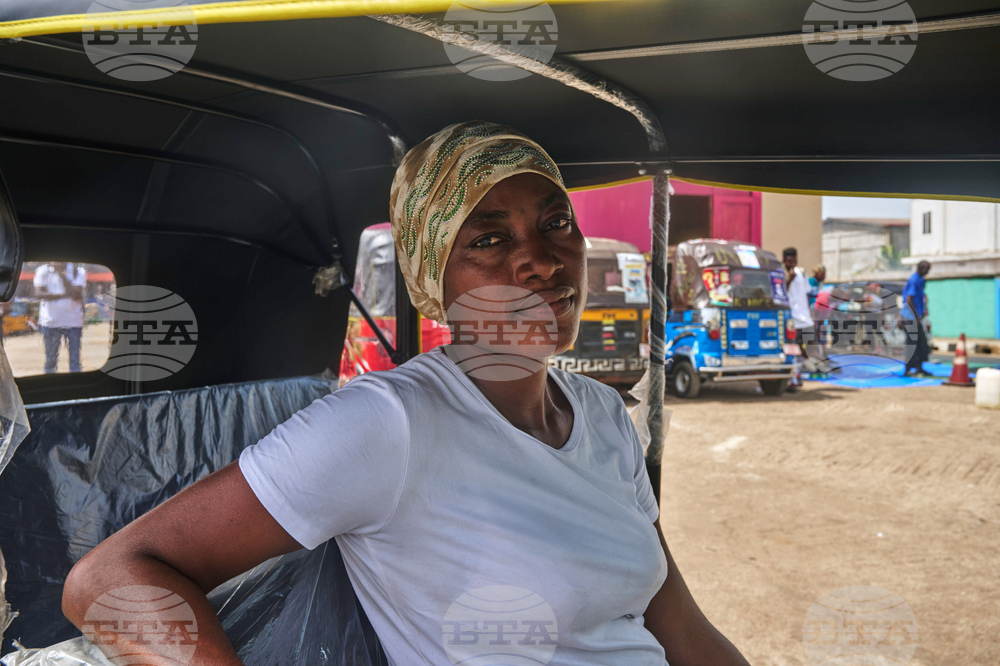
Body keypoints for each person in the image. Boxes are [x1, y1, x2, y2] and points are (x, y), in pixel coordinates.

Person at [62, 121, 750, 666]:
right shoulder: (391, 423)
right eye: (487, 238)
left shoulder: (603, 416)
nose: (540, 258)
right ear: (432, 282)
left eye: (556, 221)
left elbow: (682, 632)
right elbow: (108, 578)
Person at [33, 261, 87, 374]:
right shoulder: (43, 270)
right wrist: (63, 295)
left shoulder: (78, 271)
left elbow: (76, 294)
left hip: (73, 322)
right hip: (51, 322)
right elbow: (38, 294)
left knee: (75, 363)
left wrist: (61, 274)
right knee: (50, 362)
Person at [783, 247, 815, 390]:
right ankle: (793, 379)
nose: (791, 264)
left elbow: (806, 294)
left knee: (808, 349)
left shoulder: (802, 273)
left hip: (805, 319)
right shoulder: (781, 273)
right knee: (792, 350)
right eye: (789, 261)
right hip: (792, 320)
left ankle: (797, 373)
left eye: (793, 261)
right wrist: (789, 280)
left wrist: (810, 313)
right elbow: (781, 293)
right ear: (784, 261)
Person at [901, 260, 931, 374]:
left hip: (915, 316)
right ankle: (908, 368)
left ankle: (919, 366)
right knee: (912, 342)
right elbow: (909, 300)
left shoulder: (921, 280)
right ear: (920, 269)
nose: (927, 272)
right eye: (926, 270)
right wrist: (916, 315)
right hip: (910, 317)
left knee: (921, 342)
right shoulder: (914, 280)